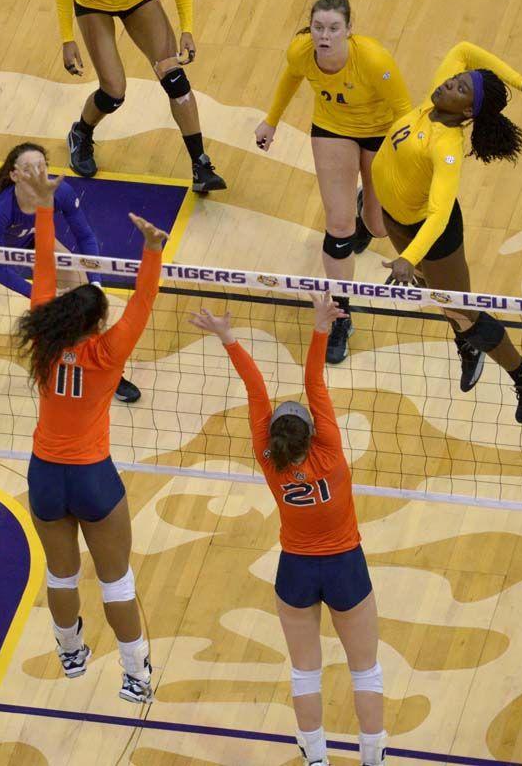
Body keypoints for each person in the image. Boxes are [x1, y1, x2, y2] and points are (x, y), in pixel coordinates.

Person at [190, 293, 387, 766]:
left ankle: (316, 759)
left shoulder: (268, 460)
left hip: (296, 569)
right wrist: (321, 327)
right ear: (313, 432)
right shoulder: (331, 452)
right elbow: (313, 381)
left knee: (305, 674)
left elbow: (256, 392)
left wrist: (227, 338)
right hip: (345, 567)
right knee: (366, 673)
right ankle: (374, 759)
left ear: (275, 439)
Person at [16, 165, 167, 703]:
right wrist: (152, 250)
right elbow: (144, 305)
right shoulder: (107, 355)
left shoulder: (44, 341)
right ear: (99, 326)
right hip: (92, 479)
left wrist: (43, 208)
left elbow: (44, 275)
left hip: (44, 478)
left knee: (60, 576)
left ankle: (70, 653)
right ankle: (135, 674)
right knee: (116, 581)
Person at [371, 41, 522, 424]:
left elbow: (440, 214)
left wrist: (410, 258)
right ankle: (468, 345)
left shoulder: (447, 146)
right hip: (398, 221)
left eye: (459, 89)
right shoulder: (437, 103)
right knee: (437, 296)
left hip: (430, 233)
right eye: (455, 81)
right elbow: (464, 49)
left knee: (464, 312)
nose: (448, 85)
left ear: (467, 112)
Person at [0, 142, 140, 417]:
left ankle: (103, 372)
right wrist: (39, 297)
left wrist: (96, 282)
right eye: (29, 168)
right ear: (15, 175)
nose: (37, 173)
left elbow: (85, 237)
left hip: (33, 240)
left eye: (42, 167)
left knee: (85, 299)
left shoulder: (60, 192)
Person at [255, 0, 412, 364]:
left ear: (349, 30)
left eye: (333, 29)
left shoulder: (374, 60)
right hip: (332, 131)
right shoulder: (301, 51)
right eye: (318, 28)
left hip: (380, 134)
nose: (324, 36)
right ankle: (341, 314)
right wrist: (271, 120)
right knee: (339, 225)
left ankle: (364, 209)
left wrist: (409, 154)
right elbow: (291, 78)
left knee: (378, 227)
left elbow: (405, 111)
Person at [56, 0, 226, 193]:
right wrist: (67, 39)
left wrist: (187, 29)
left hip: (137, 0)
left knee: (175, 78)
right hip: (94, 4)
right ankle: (81, 134)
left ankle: (200, 164)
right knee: (114, 94)